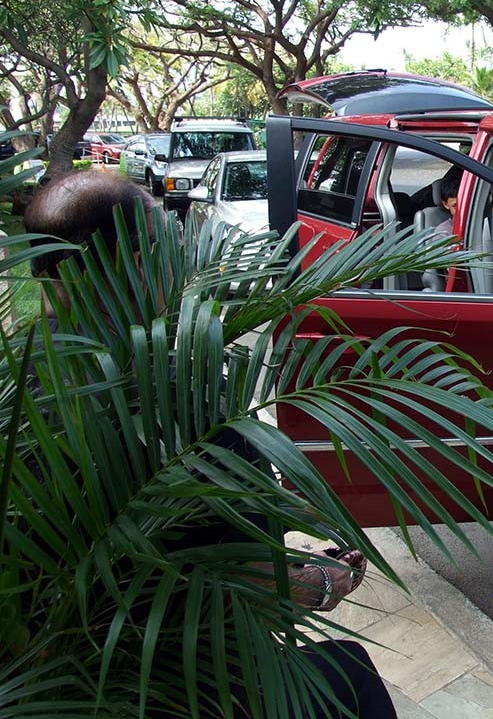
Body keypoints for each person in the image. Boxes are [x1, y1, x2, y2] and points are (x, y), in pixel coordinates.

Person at [23, 169, 398, 719]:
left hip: (52, 676)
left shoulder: (21, 379)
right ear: (139, 265)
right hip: (174, 682)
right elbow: (232, 586)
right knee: (351, 676)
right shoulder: (183, 399)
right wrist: (321, 581)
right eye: (172, 247)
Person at [432, 167, 461, 238]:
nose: (462, 210)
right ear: (445, 204)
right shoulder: (443, 232)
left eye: (466, 206)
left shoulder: (483, 222)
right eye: (455, 206)